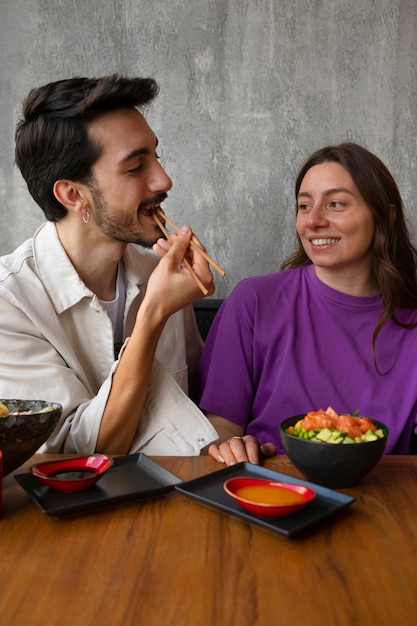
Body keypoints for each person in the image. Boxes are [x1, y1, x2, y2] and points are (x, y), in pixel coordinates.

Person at [0, 74, 219, 456]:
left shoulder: (161, 274)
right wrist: (153, 314)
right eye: (136, 167)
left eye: (156, 156)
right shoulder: (10, 302)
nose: (163, 179)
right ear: (72, 194)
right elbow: (78, 456)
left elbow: (196, 409)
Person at [197, 142, 417, 465]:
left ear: (385, 214)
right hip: (269, 492)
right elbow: (218, 430)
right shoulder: (253, 302)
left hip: (383, 501)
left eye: (336, 204)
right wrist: (230, 447)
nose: (313, 221)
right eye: (304, 206)